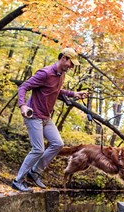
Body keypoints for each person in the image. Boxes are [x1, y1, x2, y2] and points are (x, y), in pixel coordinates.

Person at [12, 48, 88, 191]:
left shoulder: (61, 74)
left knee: (58, 144)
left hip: (46, 117)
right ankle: (18, 180)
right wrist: (22, 106)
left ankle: (34, 172)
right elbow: (23, 87)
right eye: (71, 63)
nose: (72, 67)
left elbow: (55, 91)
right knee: (38, 149)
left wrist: (74, 94)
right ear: (64, 58)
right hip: (33, 115)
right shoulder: (45, 73)